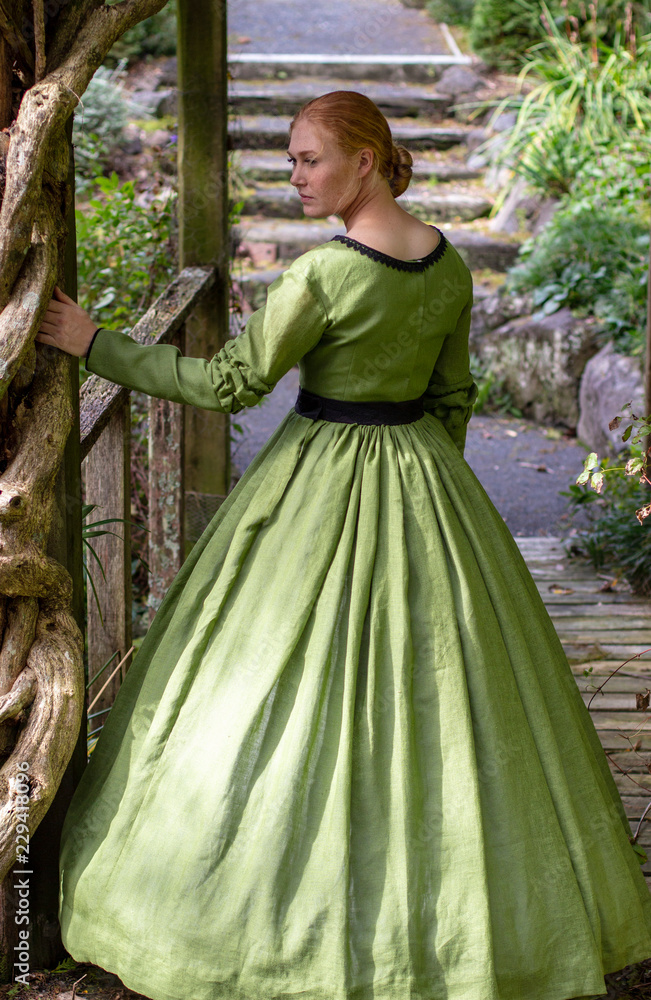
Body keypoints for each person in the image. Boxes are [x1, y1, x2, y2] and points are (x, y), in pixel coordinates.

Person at [38, 91, 651, 1000]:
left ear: (366, 159)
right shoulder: (446, 267)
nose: (295, 178)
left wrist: (98, 345)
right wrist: (419, 493)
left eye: (308, 159)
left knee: (267, 681)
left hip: (315, 477)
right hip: (428, 486)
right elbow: (453, 396)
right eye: (290, 161)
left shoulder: (322, 276)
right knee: (442, 695)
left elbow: (228, 384)